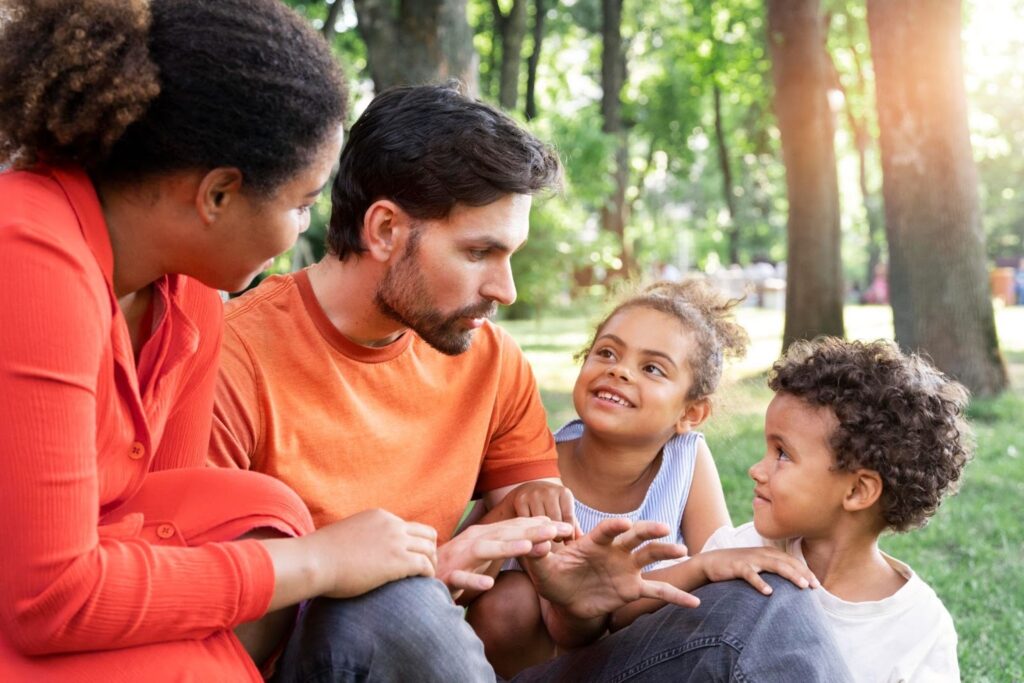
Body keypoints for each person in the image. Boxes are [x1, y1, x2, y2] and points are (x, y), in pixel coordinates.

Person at [211, 84, 854, 682]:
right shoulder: (229, 357)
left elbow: (548, 565)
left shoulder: (491, 361)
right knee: (393, 601)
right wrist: (411, 572)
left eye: (510, 256)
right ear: (384, 230)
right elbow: (207, 622)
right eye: (478, 253)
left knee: (763, 607)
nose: (506, 289)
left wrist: (576, 603)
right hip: (323, 659)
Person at [0, 1, 485, 679]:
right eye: (301, 203)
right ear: (218, 194)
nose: (305, 233)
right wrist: (320, 560)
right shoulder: (30, 254)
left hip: (69, 597)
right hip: (32, 607)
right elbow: (48, 597)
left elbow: (165, 516)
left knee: (259, 509)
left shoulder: (189, 296)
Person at [467, 279, 822, 676]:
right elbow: (457, 592)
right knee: (510, 600)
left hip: (639, 657)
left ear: (690, 414)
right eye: (606, 353)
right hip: (535, 664)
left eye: (651, 368)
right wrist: (510, 514)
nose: (619, 371)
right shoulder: (533, 469)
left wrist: (704, 567)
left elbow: (717, 575)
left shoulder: (686, 460)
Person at [618, 337, 970, 681]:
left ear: (858, 490)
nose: (757, 470)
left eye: (782, 454)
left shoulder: (918, 625)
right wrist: (700, 568)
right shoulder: (745, 551)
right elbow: (623, 622)